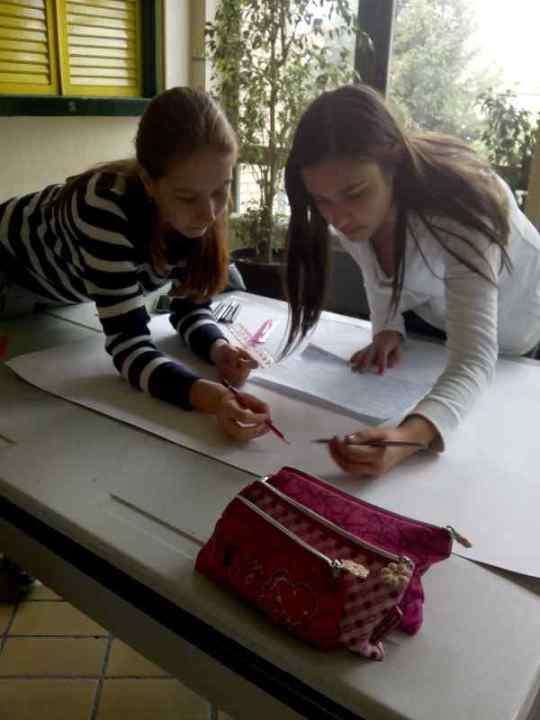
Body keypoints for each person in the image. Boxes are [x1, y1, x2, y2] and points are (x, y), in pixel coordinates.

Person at [283, 83, 540, 478]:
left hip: (523, 330)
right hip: (446, 319)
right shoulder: (349, 209)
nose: (338, 218)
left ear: (395, 165)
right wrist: (387, 326)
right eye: (323, 201)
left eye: (355, 193)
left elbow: (474, 357)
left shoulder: (465, 208)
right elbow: (374, 268)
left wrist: (406, 439)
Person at [0, 86, 270, 444]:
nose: (209, 213)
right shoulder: (103, 205)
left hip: (53, 289)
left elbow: (189, 306)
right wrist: (211, 397)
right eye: (187, 197)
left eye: (222, 190)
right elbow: (128, 346)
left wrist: (219, 348)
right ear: (148, 183)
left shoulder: (198, 202)